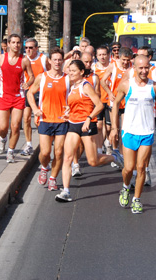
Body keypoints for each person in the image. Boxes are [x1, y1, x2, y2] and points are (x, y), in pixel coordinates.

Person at [55, 60, 124, 202]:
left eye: (73, 70)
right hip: (73, 125)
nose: (70, 72)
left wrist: (88, 118)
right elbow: (75, 105)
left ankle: (115, 158)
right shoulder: (72, 87)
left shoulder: (86, 86)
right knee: (67, 157)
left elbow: (99, 105)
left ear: (81, 72)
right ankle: (66, 191)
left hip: (87, 125)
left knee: (93, 161)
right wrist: (69, 112)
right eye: (69, 70)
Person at [111, 55, 156, 214]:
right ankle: (125, 187)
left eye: (146, 68)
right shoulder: (126, 85)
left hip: (147, 132)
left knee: (141, 167)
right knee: (129, 168)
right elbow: (115, 105)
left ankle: (137, 199)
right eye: (140, 68)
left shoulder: (154, 87)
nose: (144, 71)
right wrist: (114, 128)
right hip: (129, 131)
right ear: (134, 68)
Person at [27, 48, 69, 191]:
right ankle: (44, 167)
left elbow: (75, 97)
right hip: (45, 119)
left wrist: (70, 109)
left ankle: (53, 178)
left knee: (58, 152)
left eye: (59, 59)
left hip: (62, 120)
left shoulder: (68, 78)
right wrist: (34, 109)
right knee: (45, 152)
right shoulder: (42, 77)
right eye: (55, 59)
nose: (57, 62)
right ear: (49, 61)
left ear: (63, 61)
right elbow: (30, 93)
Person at [0, 34, 34, 163]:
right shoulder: (1, 58)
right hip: (3, 96)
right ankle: (2, 139)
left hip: (18, 97)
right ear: (8, 44)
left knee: (15, 127)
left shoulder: (24, 60)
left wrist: (28, 83)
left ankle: (10, 151)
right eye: (13, 42)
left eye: (18, 42)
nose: (16, 45)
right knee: (3, 127)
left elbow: (32, 76)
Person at [128, 46, 156, 187]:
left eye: (143, 56)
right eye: (138, 56)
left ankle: (145, 169)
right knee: (132, 149)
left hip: (150, 114)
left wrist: (152, 90)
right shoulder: (131, 73)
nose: (140, 59)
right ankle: (133, 172)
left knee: (146, 145)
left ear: (149, 59)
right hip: (132, 115)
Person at [70, 51, 102, 177]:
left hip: (88, 117)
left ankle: (114, 157)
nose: (88, 64)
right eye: (85, 62)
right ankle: (75, 166)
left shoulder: (93, 78)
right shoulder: (72, 81)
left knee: (92, 160)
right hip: (73, 120)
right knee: (71, 150)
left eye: (90, 62)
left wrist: (90, 115)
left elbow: (98, 100)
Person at [100, 47, 134, 155]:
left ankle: (122, 153)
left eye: (128, 60)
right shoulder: (113, 66)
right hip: (114, 103)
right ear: (119, 57)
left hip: (127, 104)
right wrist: (109, 93)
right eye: (124, 59)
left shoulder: (132, 68)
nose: (125, 62)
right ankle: (114, 151)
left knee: (124, 130)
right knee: (115, 129)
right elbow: (103, 81)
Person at [22, 38, 49, 156]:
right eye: (26, 47)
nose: (28, 50)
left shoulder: (43, 59)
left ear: (36, 48)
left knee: (39, 120)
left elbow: (51, 72)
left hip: (42, 92)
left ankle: (44, 142)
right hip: (29, 92)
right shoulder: (23, 59)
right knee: (26, 118)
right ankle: (28, 145)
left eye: (31, 48)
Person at [93, 45, 112, 154]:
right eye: (100, 55)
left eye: (104, 54)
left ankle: (108, 143)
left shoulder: (112, 67)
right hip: (98, 101)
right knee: (99, 125)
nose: (102, 57)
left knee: (109, 127)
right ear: (96, 56)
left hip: (109, 100)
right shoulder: (93, 68)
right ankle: (99, 148)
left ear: (108, 55)